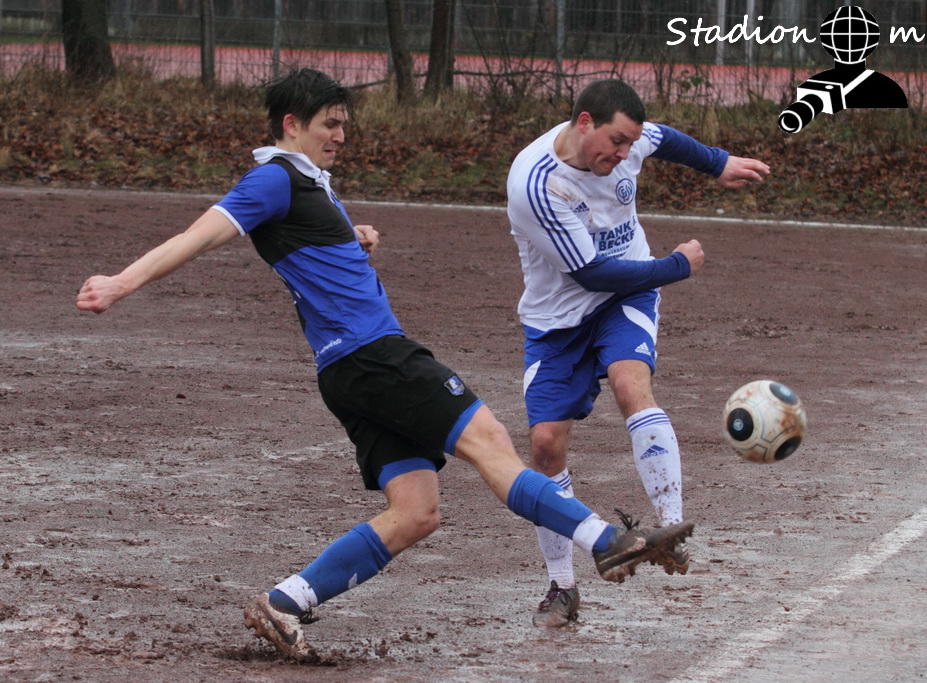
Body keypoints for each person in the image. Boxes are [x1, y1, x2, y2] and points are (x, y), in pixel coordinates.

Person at [75, 68, 696, 661]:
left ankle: (285, 602)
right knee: (490, 444)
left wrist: (352, 239)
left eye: (344, 124)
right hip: (376, 355)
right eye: (330, 124)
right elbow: (201, 234)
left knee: (415, 513)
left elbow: (308, 248)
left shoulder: (306, 182)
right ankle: (607, 542)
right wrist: (120, 283)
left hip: (344, 373)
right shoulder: (273, 179)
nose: (340, 135)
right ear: (291, 124)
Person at [506, 78, 770, 627]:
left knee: (631, 384)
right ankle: (562, 587)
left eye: (630, 142)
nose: (626, 153)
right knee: (545, 448)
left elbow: (663, 138)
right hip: (558, 319)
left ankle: (669, 529)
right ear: (584, 123)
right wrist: (676, 266)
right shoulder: (536, 183)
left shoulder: (627, 140)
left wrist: (717, 163)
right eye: (617, 142)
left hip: (626, 295)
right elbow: (590, 273)